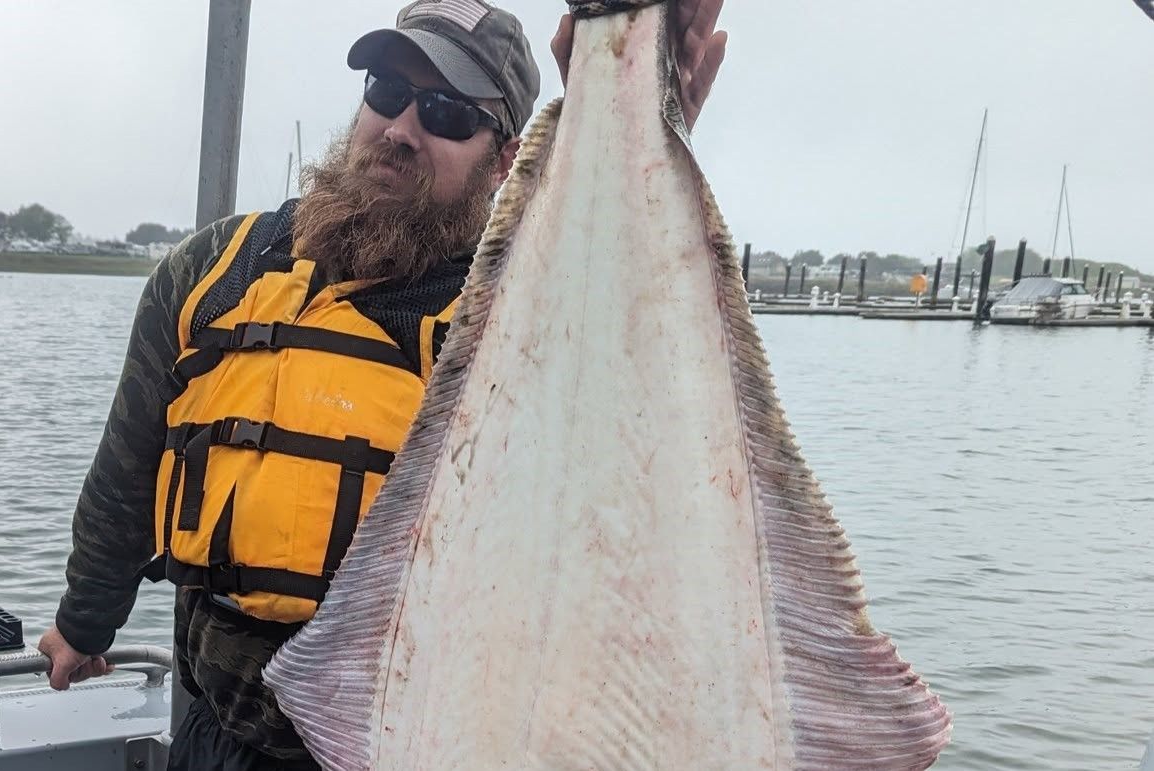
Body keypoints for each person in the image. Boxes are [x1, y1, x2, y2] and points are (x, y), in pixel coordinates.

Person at [38, 1, 727, 768]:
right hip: (217, 735)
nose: (401, 127)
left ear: (503, 162)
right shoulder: (211, 269)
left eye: (445, 112)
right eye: (386, 88)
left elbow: (627, 462)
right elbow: (127, 472)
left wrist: (640, 130)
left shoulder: (518, 325)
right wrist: (85, 621)